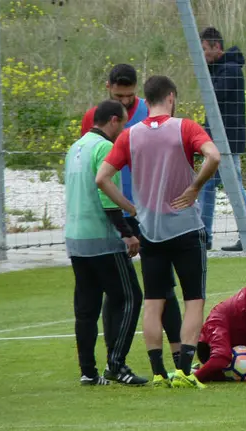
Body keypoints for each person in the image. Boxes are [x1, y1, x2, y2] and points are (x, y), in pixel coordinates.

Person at [96, 75, 221, 389]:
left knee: (153, 301)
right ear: (171, 96)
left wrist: (132, 207)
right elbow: (214, 156)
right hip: (186, 227)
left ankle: (157, 371)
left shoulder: (130, 135)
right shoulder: (185, 127)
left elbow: (102, 178)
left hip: (150, 230)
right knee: (194, 299)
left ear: (145, 99)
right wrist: (195, 186)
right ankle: (185, 370)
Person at [80, 63, 184, 370]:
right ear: (108, 87)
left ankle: (179, 354)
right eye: (119, 96)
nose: (125, 102)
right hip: (114, 211)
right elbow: (91, 162)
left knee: (163, 285)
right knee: (117, 289)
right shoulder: (94, 118)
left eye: (129, 97)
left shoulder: (152, 114)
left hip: (148, 210)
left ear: (137, 91)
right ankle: (116, 358)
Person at [65, 99, 148, 386]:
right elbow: (104, 195)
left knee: (86, 308)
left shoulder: (75, 148)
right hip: (102, 239)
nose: (123, 129)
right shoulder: (103, 147)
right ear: (113, 120)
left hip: (76, 239)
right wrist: (127, 232)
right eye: (123, 123)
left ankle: (88, 372)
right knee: (130, 298)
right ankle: (117, 365)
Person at [198, 26, 246, 251]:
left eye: (204, 49)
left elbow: (213, 96)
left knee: (233, 188)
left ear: (216, 47)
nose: (202, 54)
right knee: (207, 186)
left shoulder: (230, 70)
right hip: (218, 141)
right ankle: (206, 236)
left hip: (227, 143)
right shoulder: (220, 68)